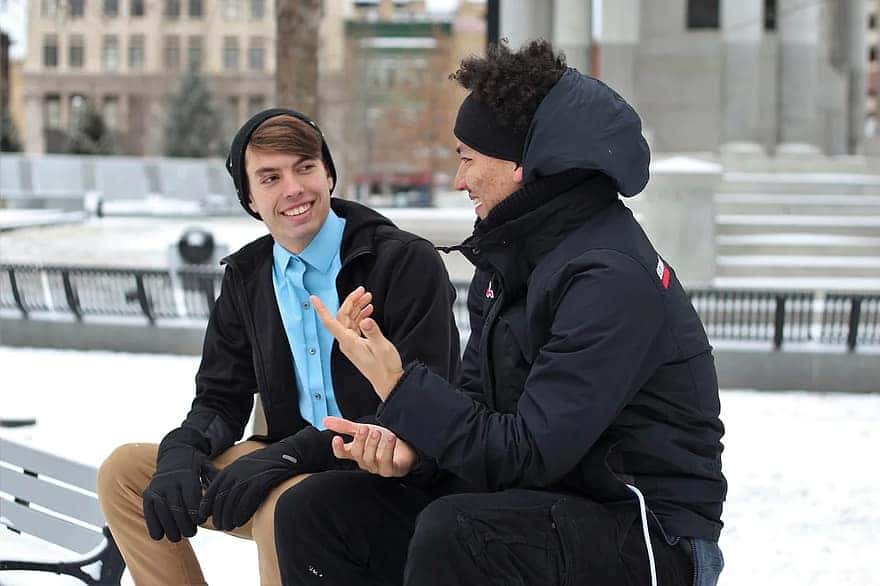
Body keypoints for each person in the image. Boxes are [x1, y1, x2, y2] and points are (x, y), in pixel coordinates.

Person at [280, 39, 727, 586]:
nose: (458, 179)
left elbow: (530, 452)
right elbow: (482, 411)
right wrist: (414, 452)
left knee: (460, 531)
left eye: (467, 158)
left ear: (523, 165)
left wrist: (397, 385)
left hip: (650, 536)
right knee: (318, 509)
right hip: (542, 506)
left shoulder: (608, 276)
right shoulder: (512, 259)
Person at [95, 108, 460, 586]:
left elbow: (425, 401)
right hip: (282, 461)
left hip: (384, 472)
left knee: (284, 506)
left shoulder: (401, 261)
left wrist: (289, 455)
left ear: (328, 172)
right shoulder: (248, 277)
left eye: (304, 167)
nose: (293, 189)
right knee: (126, 473)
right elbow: (220, 398)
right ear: (249, 197)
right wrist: (183, 451)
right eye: (270, 177)